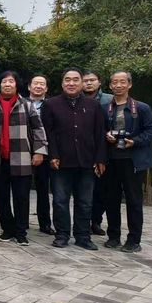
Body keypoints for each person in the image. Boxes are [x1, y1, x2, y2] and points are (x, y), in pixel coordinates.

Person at [42, 67, 107, 250]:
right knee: (60, 201)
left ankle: (83, 236)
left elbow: (100, 133)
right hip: (61, 161)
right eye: (67, 80)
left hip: (87, 161)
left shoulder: (93, 105)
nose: (71, 83)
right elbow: (48, 133)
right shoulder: (51, 104)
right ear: (62, 83)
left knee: (85, 202)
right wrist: (53, 155)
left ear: (81, 82)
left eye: (75, 79)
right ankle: (62, 235)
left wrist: (100, 158)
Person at [0, 71, 48, 246]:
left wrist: (39, 151)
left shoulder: (27, 105)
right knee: (1, 197)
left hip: (22, 158)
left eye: (11, 81)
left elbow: (38, 129)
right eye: (4, 82)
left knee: (21, 197)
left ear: (16, 85)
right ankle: (7, 229)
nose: (7, 85)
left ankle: (21, 232)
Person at [103, 72, 152, 253]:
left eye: (122, 82)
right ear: (110, 86)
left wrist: (134, 141)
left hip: (133, 160)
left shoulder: (141, 108)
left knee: (134, 200)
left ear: (129, 84)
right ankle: (113, 236)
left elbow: (151, 131)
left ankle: (134, 240)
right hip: (111, 159)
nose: (118, 85)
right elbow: (99, 130)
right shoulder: (104, 108)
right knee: (111, 199)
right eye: (115, 82)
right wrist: (106, 135)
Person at [83, 70, 113, 236]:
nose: (88, 83)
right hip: (83, 150)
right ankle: (83, 222)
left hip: (105, 149)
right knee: (84, 190)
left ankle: (96, 221)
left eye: (92, 80)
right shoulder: (75, 99)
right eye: (85, 80)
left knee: (102, 190)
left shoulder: (110, 100)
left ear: (99, 82)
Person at [28, 74, 54, 234]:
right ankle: (22, 222)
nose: (38, 86)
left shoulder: (51, 105)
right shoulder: (21, 103)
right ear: (29, 87)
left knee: (43, 189)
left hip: (45, 151)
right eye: (35, 83)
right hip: (23, 150)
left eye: (42, 84)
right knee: (22, 188)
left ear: (46, 88)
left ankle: (45, 223)